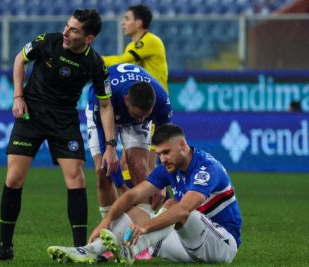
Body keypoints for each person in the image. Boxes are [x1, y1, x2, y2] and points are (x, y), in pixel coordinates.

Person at [0, 9, 119, 262]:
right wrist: (18, 96)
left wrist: (111, 145)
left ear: (89, 38)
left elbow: (106, 104)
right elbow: (19, 60)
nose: (66, 32)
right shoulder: (48, 41)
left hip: (63, 120)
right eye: (67, 26)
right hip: (30, 115)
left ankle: (81, 250)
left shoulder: (96, 64)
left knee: (76, 178)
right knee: (13, 178)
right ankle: (5, 246)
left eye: (74, 30)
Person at [47, 123, 242, 265]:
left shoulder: (206, 169)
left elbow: (183, 210)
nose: (162, 159)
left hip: (222, 245)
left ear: (183, 146)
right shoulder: (168, 166)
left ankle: (131, 250)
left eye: (166, 152)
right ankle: (89, 251)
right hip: (188, 246)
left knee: (173, 204)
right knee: (135, 211)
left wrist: (146, 228)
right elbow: (132, 196)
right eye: (159, 154)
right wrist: (105, 222)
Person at [86, 63, 172, 219]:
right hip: (107, 107)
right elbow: (106, 151)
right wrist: (122, 187)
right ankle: (110, 229)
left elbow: (166, 145)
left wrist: (162, 180)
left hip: (125, 109)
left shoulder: (161, 101)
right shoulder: (104, 94)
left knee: (139, 166)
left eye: (146, 116)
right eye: (138, 114)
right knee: (103, 171)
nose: (141, 120)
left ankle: (143, 227)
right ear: (127, 100)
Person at [102, 4, 169, 187]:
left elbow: (122, 62)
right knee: (135, 163)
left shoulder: (151, 41)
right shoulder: (133, 45)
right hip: (140, 106)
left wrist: (95, 60)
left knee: (147, 163)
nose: (123, 23)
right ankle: (144, 205)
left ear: (138, 23)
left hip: (152, 108)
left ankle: (158, 206)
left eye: (127, 19)